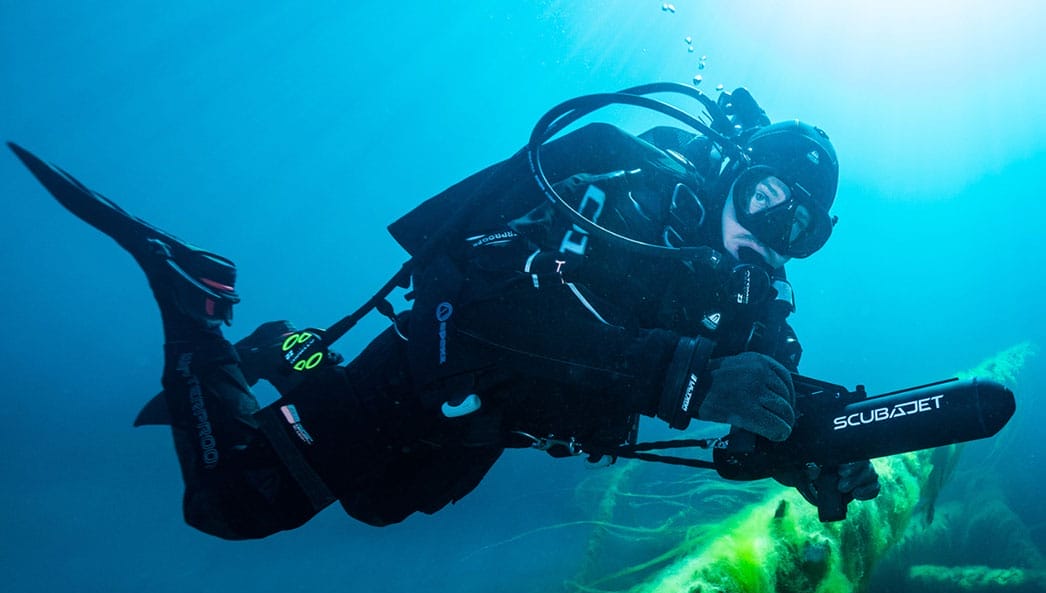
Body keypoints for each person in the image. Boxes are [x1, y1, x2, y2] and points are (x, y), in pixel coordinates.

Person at [10, 83, 879, 540]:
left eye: (802, 227)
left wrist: (810, 451)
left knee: (383, 504)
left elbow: (762, 406)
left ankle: (293, 353)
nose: (775, 233)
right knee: (235, 506)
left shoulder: (755, 305)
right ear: (731, 171)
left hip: (490, 424)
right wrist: (675, 372)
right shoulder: (625, 195)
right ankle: (197, 296)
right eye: (768, 198)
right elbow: (467, 290)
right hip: (435, 367)